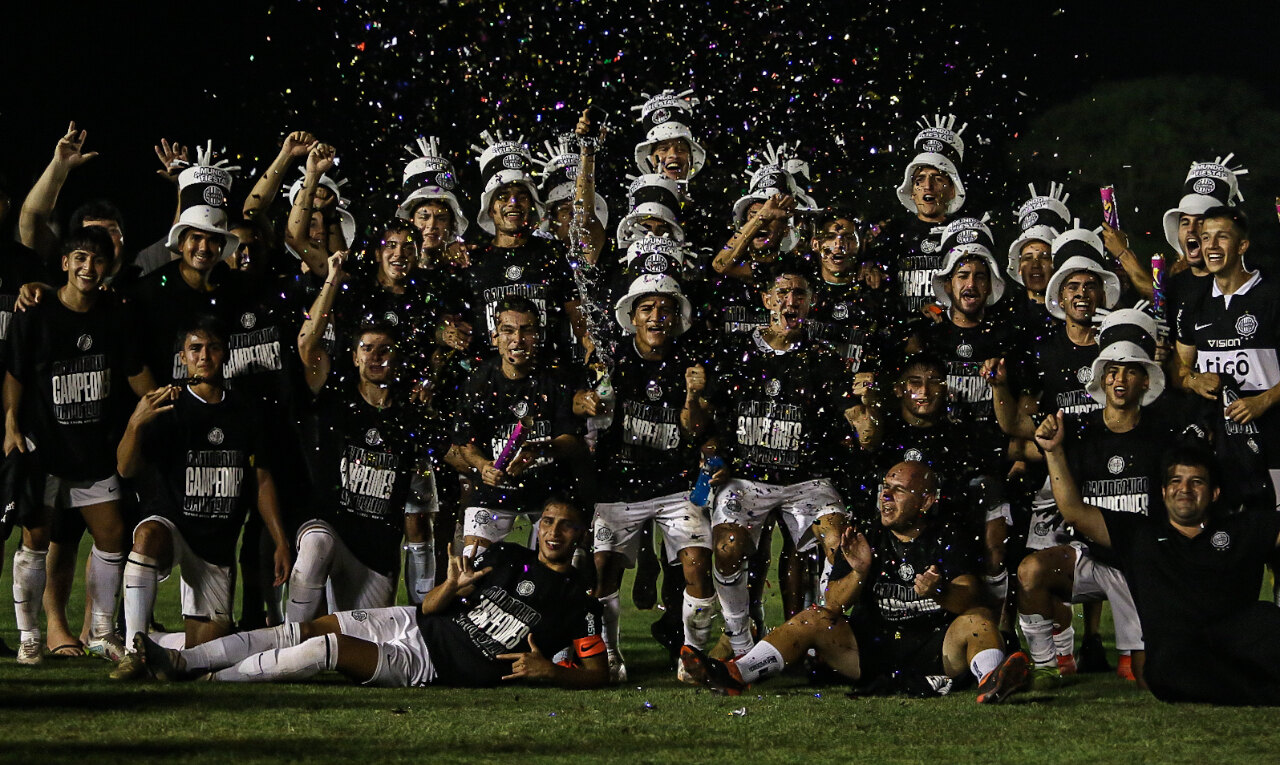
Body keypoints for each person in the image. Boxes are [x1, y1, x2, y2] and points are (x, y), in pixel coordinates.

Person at [134, 497, 607, 688]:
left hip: (432, 665)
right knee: (299, 630)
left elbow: (598, 674)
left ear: (580, 533)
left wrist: (550, 670)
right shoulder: (506, 557)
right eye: (548, 521)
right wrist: (451, 585)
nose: (553, 531)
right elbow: (430, 606)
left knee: (326, 648)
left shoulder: (579, 604)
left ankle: (212, 679)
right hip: (414, 621)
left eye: (566, 525)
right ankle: (182, 661)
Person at [681, 461, 1029, 704]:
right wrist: (860, 572)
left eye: (899, 491)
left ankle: (992, 679)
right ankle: (736, 673)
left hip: (937, 649)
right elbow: (832, 604)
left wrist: (940, 591)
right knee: (813, 619)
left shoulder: (948, 533)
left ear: (926, 501)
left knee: (979, 620)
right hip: (872, 650)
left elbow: (970, 600)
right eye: (885, 488)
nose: (886, 497)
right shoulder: (865, 532)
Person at [1034, 428, 1280, 704]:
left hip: (1237, 641)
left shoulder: (1240, 528)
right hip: (1181, 656)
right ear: (1163, 492)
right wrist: (1053, 451)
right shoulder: (1141, 535)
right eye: (1176, 481)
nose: (1185, 489)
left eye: (1197, 482)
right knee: (1165, 670)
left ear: (1214, 493)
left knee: (1267, 620)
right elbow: (1075, 513)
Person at [4, 227, 156, 664]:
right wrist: (10, 422)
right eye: (81, 258)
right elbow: (14, 374)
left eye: (98, 260)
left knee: (111, 534)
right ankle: (30, 637)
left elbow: (134, 370)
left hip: (93, 447)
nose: (89, 267)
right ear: (66, 262)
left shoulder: (115, 314)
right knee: (35, 538)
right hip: (44, 446)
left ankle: (101, 632)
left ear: (108, 267)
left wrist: (160, 400)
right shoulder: (35, 312)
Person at [109, 318, 292, 679]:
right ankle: (133, 650)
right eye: (195, 348)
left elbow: (262, 479)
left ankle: (153, 645)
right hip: (174, 525)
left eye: (213, 348)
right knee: (146, 536)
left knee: (203, 660)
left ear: (226, 354)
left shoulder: (246, 410)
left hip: (217, 545)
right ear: (183, 357)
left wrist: (281, 541)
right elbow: (125, 469)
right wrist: (134, 424)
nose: (204, 356)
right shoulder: (168, 406)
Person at [1015, 310, 1177, 685]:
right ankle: (1046, 666)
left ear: (1145, 380)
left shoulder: (1163, 435)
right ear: (1102, 378)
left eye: (1130, 371)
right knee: (1030, 571)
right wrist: (1053, 450)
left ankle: (1143, 647)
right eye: (1112, 371)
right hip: (1092, 558)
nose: (1120, 379)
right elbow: (1070, 508)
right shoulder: (1078, 432)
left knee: (1149, 677)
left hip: (1145, 564)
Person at [708, 259, 857, 656]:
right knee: (727, 547)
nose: (791, 301)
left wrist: (866, 408)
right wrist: (713, 453)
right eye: (783, 293)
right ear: (766, 299)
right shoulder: (736, 352)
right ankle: (739, 640)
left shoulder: (824, 357)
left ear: (810, 302)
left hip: (805, 481)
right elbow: (711, 419)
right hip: (747, 479)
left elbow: (852, 424)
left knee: (838, 541)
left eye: (799, 294)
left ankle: (820, 634)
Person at [291, 252, 439, 621]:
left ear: (397, 359)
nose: (375, 356)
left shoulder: (409, 414)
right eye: (367, 348)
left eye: (385, 350)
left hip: (377, 551)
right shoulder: (336, 398)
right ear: (355, 357)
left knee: (358, 642)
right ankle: (289, 636)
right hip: (332, 532)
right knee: (314, 546)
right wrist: (332, 279)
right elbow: (307, 344)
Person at [590, 275, 713, 681]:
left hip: (675, 486)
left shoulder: (690, 362)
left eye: (665, 309)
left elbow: (696, 430)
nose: (657, 316)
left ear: (677, 317)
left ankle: (693, 657)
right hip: (618, 485)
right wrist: (589, 397)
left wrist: (693, 397)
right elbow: (589, 412)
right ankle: (608, 655)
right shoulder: (609, 359)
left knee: (697, 564)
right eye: (647, 309)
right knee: (603, 568)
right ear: (632, 317)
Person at [453, 296, 588, 558]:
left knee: (564, 565)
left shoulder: (557, 378)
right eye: (508, 330)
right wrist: (483, 466)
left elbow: (573, 440)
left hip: (549, 495)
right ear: (495, 337)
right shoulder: (478, 381)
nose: (518, 339)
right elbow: (466, 442)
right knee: (472, 562)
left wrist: (539, 450)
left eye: (526, 330)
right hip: (493, 492)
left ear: (538, 336)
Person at [1174, 206, 1280, 503]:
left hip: (1271, 441)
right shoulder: (1193, 303)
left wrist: (1263, 401)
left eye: (1222, 237)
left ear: (1242, 245)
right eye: (1206, 237)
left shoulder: (1272, 296)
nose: (1211, 246)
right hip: (1215, 445)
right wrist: (1193, 380)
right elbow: (1178, 368)